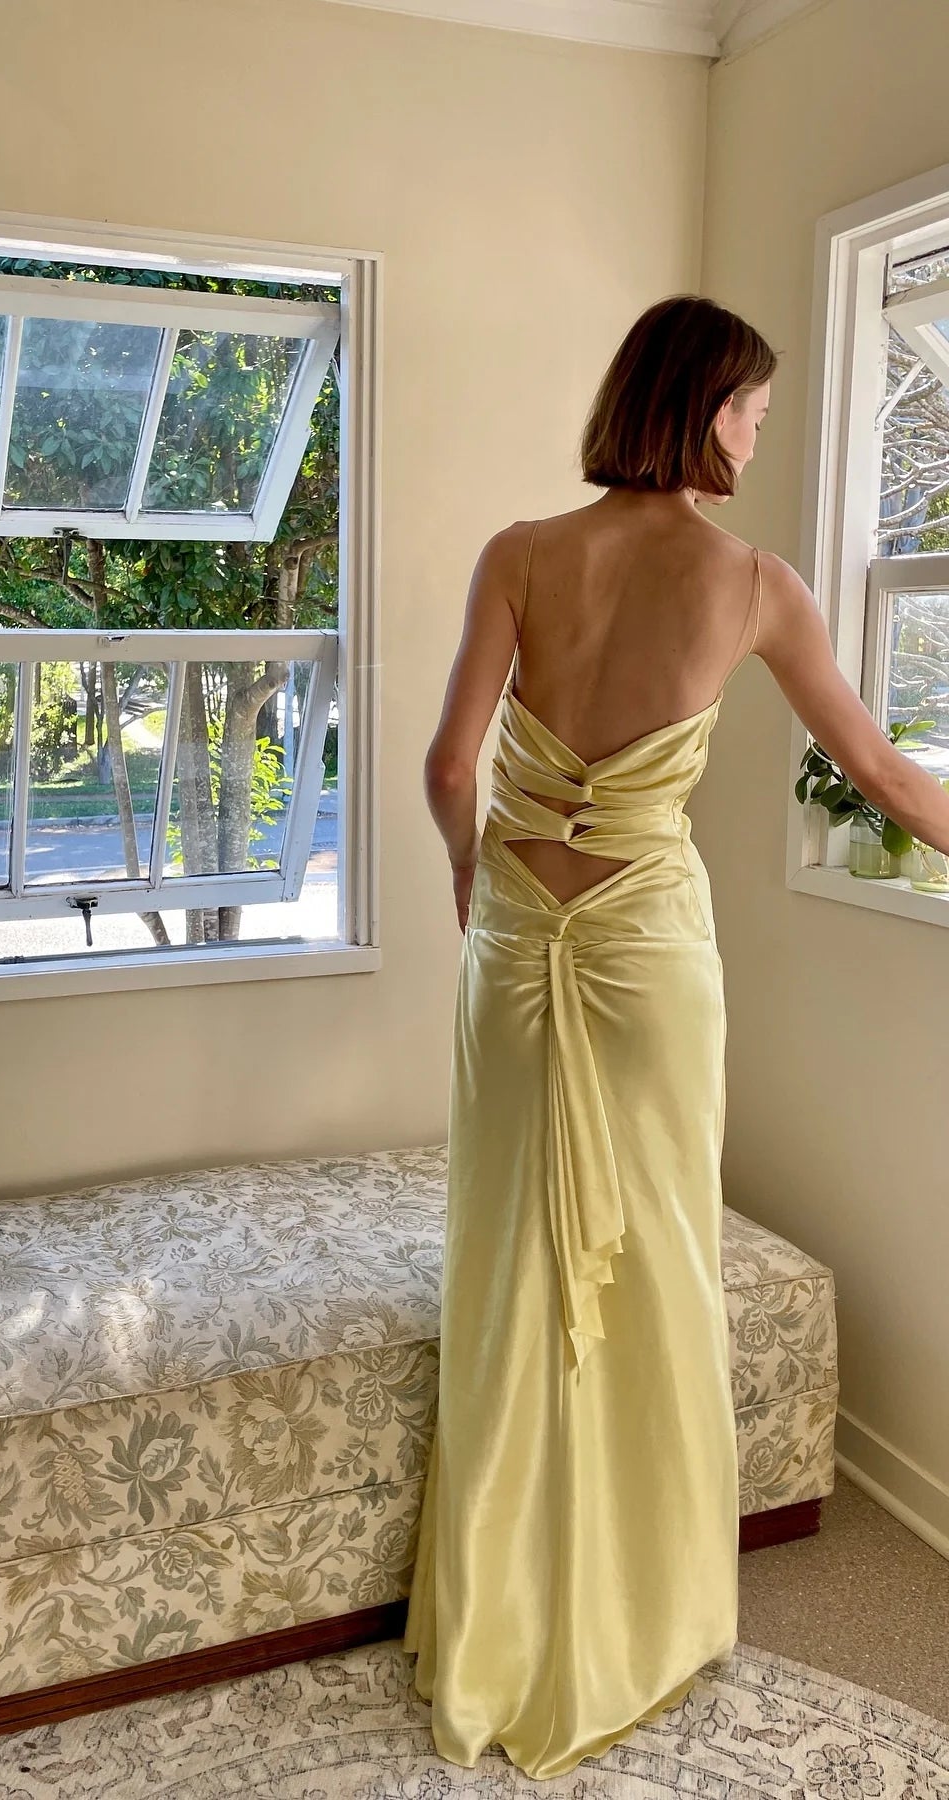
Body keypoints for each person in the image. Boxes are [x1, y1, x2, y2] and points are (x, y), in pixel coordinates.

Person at [401, 293, 949, 1781]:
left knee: (511, 1257)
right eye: (753, 413)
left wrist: (471, 870)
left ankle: (503, 1622)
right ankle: (637, 1611)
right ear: (705, 408)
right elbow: (887, 772)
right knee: (655, 1261)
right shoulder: (756, 585)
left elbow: (449, 765)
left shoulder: (520, 554)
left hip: (519, 939)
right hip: (647, 956)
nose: (757, 439)